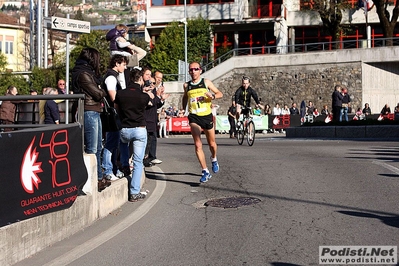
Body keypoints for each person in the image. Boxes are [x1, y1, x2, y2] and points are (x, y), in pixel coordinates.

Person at [71, 47, 109, 192]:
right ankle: (93, 180)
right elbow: (98, 94)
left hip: (94, 111)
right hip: (89, 111)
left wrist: (100, 88)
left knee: (98, 147)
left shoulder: (88, 73)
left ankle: (99, 178)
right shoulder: (83, 74)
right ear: (92, 59)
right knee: (92, 148)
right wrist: (101, 90)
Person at [115, 68, 154, 202]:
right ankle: (134, 192)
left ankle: (125, 165)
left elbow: (117, 110)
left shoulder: (120, 94)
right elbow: (148, 105)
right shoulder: (144, 96)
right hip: (139, 129)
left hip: (124, 128)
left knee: (124, 144)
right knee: (138, 162)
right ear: (140, 79)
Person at [182, 61, 223, 183]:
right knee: (198, 144)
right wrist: (183, 109)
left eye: (195, 69)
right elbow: (185, 97)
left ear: (200, 70)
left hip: (207, 116)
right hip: (194, 117)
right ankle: (205, 171)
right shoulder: (186, 85)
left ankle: (214, 158)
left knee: (212, 144)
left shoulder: (206, 82)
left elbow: (220, 93)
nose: (193, 72)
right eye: (191, 70)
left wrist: (213, 96)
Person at [101, 54, 128, 182]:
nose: (125, 66)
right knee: (111, 143)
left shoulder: (113, 76)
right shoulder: (111, 77)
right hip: (113, 114)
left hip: (114, 114)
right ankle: (107, 169)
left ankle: (113, 168)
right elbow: (113, 97)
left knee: (115, 142)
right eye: (123, 64)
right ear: (116, 64)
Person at [143, 69, 167, 167]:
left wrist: (161, 99)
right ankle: (147, 158)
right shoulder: (148, 88)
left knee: (153, 138)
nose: (158, 80)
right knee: (148, 139)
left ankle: (151, 157)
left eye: (160, 78)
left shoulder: (155, 89)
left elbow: (156, 105)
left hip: (152, 118)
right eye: (157, 78)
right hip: (147, 117)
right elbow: (150, 102)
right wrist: (158, 96)